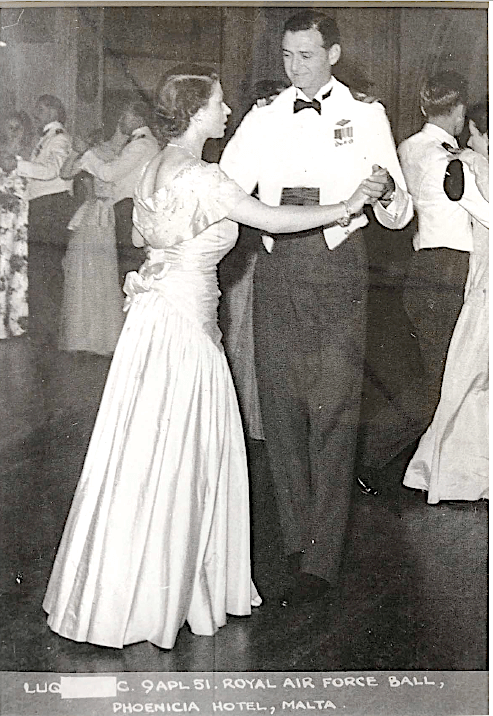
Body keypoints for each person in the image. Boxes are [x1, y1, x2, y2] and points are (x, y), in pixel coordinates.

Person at [43, 65, 384, 650]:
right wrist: (349, 203)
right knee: (186, 453)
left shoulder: (153, 165)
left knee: (141, 450)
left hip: (153, 323)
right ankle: (168, 594)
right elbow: (275, 219)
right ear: (198, 112)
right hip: (185, 333)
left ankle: (118, 589)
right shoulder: (204, 177)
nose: (228, 112)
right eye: (220, 104)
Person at [220, 10, 413, 606]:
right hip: (278, 267)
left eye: (305, 55)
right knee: (280, 409)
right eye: (286, 56)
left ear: (333, 52)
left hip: (338, 267)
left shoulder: (367, 115)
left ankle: (322, 558)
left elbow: (400, 209)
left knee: (332, 411)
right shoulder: (264, 117)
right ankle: (297, 540)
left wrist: (385, 198)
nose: (295, 66)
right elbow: (224, 188)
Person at [359, 72, 474, 486]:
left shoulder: (407, 148)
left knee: (441, 376)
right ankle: (369, 454)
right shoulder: (450, 158)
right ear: (459, 111)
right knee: (442, 381)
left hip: (421, 265)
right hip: (449, 269)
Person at [404, 101, 489, 502]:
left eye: (473, 134)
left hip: (481, 285)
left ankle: (462, 471)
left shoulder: (469, 168)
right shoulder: (468, 167)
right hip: (470, 279)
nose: (467, 140)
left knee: (466, 377)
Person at [57, 129, 126, 356]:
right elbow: (66, 173)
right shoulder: (94, 154)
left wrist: (87, 152)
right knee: (81, 273)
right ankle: (82, 337)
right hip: (89, 214)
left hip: (106, 214)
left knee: (101, 274)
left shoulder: (119, 154)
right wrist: (77, 152)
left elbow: (111, 176)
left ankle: (101, 339)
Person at [77, 101, 159, 285]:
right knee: (124, 264)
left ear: (138, 118)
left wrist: (87, 154)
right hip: (126, 207)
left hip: (129, 208)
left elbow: (109, 174)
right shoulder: (140, 142)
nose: (121, 120)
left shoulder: (142, 144)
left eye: (125, 116)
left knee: (128, 265)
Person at [15, 95, 73, 355]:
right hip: (43, 207)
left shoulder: (59, 138)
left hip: (51, 208)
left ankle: (47, 332)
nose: (36, 113)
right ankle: (43, 329)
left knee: (46, 269)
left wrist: (17, 165)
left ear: (53, 110)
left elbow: (52, 170)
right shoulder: (46, 138)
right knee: (41, 268)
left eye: (41, 108)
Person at [0, 111, 32, 339]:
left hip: (21, 224)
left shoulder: (30, 158)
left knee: (18, 271)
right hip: (2, 222)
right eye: (9, 127)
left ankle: (16, 322)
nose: (13, 133)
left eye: (17, 128)